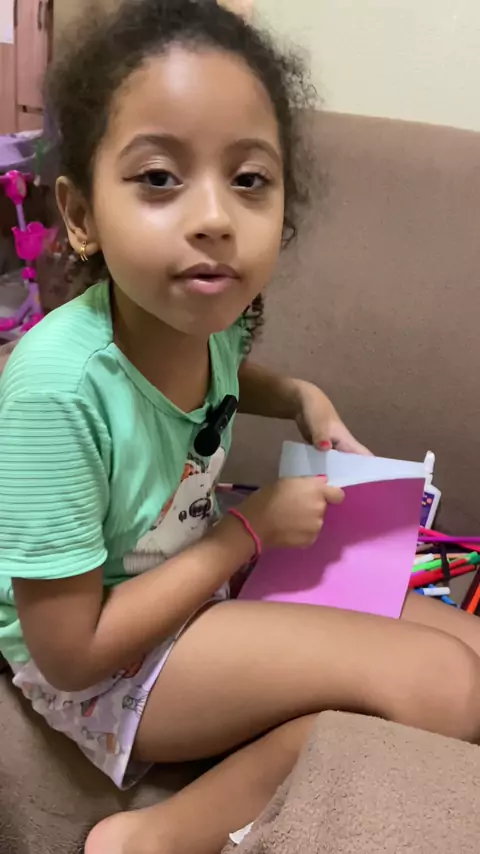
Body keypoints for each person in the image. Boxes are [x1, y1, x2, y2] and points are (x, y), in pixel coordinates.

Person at [1, 2, 480, 852]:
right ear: (80, 216)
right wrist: (250, 531)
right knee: (441, 685)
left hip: (199, 583)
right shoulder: (53, 390)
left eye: (249, 179)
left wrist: (299, 395)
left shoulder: (208, 319)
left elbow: (220, 375)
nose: (215, 217)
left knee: (469, 651)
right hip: (104, 667)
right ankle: (149, 837)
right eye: (159, 178)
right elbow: (71, 654)